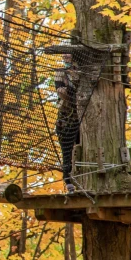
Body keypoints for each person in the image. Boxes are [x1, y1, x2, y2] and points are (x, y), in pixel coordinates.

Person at [54, 53, 80, 194]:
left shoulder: (83, 72)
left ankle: (79, 181)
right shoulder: (60, 73)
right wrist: (71, 91)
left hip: (82, 122)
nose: (66, 60)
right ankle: (69, 181)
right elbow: (61, 91)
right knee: (67, 153)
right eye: (64, 58)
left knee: (82, 152)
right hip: (66, 120)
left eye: (69, 57)